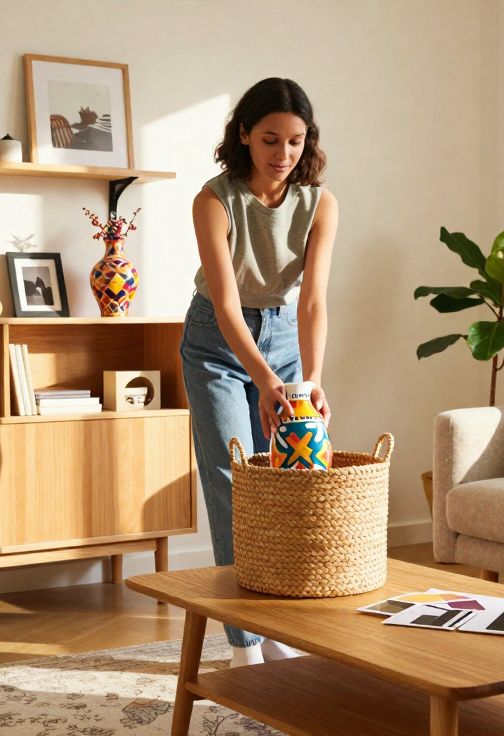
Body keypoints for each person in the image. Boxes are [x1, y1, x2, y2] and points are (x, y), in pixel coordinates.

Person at [180, 77, 338, 667]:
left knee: (289, 478)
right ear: (244, 134)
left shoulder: (319, 204)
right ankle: (244, 642)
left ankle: (279, 626)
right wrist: (265, 379)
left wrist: (310, 379)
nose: (283, 153)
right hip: (217, 343)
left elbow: (313, 301)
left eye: (295, 141)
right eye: (271, 139)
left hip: (286, 338)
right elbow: (225, 306)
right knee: (232, 477)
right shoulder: (214, 200)